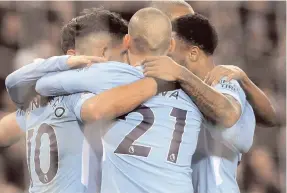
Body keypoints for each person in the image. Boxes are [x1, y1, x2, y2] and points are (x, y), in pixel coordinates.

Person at [30, 8, 203, 193]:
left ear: (127, 41)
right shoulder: (196, 92)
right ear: (171, 45)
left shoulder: (113, 75)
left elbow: (43, 84)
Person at [143, 13, 256, 193]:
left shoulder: (225, 82)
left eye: (171, 44)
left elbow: (227, 114)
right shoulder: (174, 88)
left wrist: (180, 73)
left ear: (193, 53)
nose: (166, 51)